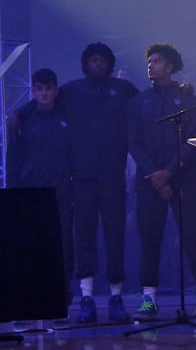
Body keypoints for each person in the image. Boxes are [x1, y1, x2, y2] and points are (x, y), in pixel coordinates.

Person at [127, 43, 196, 321]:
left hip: (185, 181)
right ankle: (148, 300)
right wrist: (156, 176)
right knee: (150, 240)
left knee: (195, 236)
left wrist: (169, 172)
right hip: (148, 182)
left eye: (156, 61)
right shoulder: (137, 102)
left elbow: (193, 142)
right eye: (149, 61)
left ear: (169, 66)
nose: (151, 65)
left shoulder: (188, 101)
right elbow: (133, 142)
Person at [56, 42, 139, 323]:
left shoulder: (124, 91)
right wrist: (20, 113)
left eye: (102, 60)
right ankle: (86, 297)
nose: (98, 64)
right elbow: (44, 103)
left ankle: (116, 297)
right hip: (81, 180)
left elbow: (147, 109)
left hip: (114, 178)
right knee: (84, 239)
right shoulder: (71, 91)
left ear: (110, 64)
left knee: (116, 236)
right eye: (93, 60)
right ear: (85, 63)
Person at [6, 68, 74, 321]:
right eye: (39, 89)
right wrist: (13, 193)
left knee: (63, 248)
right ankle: (26, 304)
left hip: (61, 193)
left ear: (56, 90)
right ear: (33, 91)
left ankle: (60, 301)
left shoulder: (67, 115)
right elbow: (12, 157)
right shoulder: (22, 119)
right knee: (28, 249)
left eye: (48, 89)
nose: (44, 93)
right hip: (28, 193)